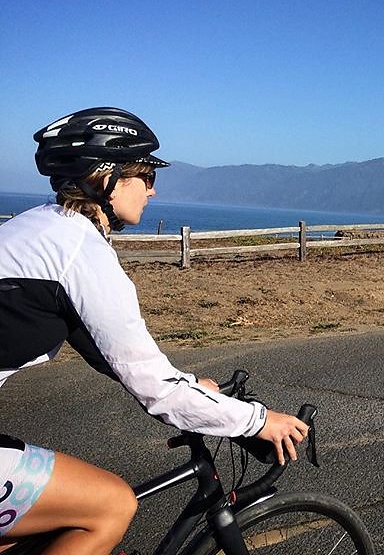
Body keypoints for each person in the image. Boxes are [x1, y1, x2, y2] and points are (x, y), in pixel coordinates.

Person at [0, 108, 308, 555]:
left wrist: (189, 386)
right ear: (106, 179)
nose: (153, 188)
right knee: (110, 506)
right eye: (144, 175)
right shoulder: (79, 254)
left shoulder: (40, 228)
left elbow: (110, 354)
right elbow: (155, 391)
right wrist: (259, 421)